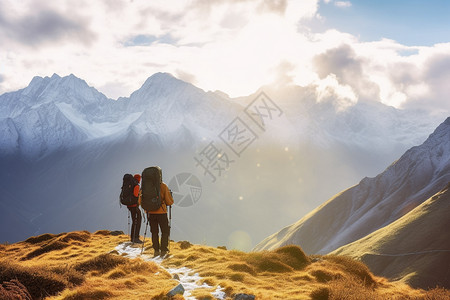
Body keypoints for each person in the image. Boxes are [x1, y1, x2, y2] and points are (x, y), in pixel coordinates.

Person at [140, 167, 174, 257]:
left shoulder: (144, 186)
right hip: (162, 213)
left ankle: (156, 250)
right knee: (165, 231)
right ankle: (163, 250)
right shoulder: (163, 186)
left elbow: (140, 200)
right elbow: (169, 202)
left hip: (150, 212)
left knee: (154, 232)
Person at [128, 174, 143, 244]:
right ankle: (135, 238)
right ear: (139, 179)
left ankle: (133, 237)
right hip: (134, 206)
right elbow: (136, 195)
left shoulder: (130, 184)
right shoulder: (136, 185)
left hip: (130, 206)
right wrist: (140, 193)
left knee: (134, 221)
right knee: (137, 220)